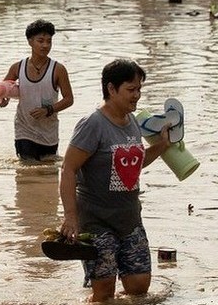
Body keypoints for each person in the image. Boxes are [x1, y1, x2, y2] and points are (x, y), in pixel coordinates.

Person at [58, 59, 172, 302]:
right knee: (103, 294)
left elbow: (134, 164)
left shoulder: (132, 121)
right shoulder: (92, 124)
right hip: (97, 222)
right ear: (111, 89)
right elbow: (68, 169)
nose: (137, 95)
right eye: (131, 89)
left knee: (139, 288)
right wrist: (70, 217)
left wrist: (163, 145)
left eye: (139, 89)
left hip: (130, 219)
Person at [0, 19, 74, 161]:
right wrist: (2, 100)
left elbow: (69, 99)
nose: (45, 45)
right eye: (41, 41)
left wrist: (48, 110)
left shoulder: (58, 69)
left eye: (49, 41)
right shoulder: (17, 67)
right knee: (28, 169)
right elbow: (2, 92)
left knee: (49, 172)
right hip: (24, 130)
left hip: (49, 132)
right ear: (30, 41)